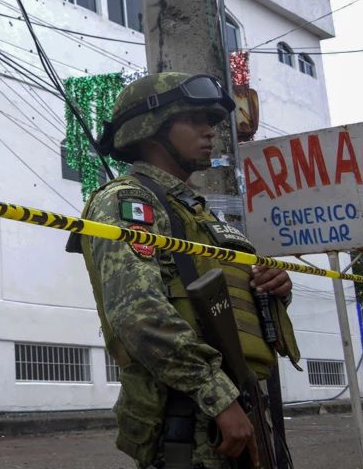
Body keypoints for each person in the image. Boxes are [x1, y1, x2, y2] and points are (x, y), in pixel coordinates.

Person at [79, 72, 300, 469]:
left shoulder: (197, 212)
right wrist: (217, 395)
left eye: (211, 122)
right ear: (152, 130)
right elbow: (138, 313)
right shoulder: (129, 201)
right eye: (194, 120)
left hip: (241, 405)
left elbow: (224, 298)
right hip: (192, 418)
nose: (209, 132)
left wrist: (273, 289)